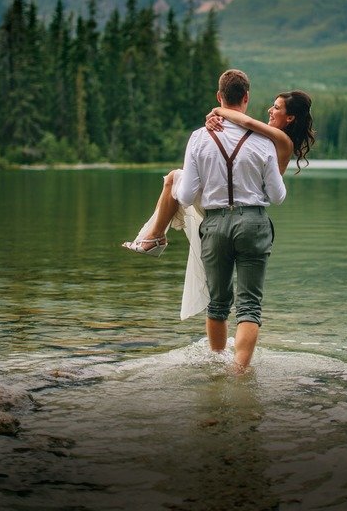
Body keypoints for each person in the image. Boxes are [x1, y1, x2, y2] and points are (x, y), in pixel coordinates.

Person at [123, 69, 315, 370]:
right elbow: (276, 197)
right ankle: (238, 372)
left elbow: (185, 197)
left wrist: (215, 115)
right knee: (250, 305)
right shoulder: (266, 143)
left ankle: (216, 367)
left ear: (220, 96)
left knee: (218, 303)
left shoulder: (208, 137)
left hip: (214, 224)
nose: (271, 110)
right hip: (252, 223)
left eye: (276, 108)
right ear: (247, 97)